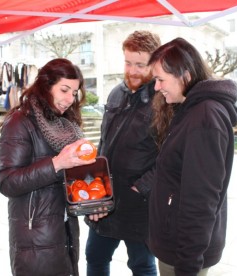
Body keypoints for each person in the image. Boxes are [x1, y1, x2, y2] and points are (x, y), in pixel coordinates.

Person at [0, 58, 104, 276]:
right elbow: (8, 182)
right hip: (34, 240)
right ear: (46, 85)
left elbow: (70, 181)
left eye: (74, 93)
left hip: (65, 233)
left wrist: (92, 202)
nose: (69, 99)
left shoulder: (65, 124)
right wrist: (56, 164)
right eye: (64, 90)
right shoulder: (19, 122)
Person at [147, 37, 237, 276]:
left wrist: (188, 265)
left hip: (184, 255)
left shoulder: (204, 117)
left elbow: (201, 200)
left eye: (160, 79)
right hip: (177, 245)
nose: (156, 87)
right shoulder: (189, 110)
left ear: (185, 76)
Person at [85, 30, 161, 276]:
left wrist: (141, 188)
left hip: (138, 204)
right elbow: (104, 141)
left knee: (142, 265)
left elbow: (171, 158)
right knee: (94, 256)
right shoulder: (116, 92)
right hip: (103, 198)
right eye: (128, 62)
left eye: (140, 64)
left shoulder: (164, 100)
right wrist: (93, 181)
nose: (132, 70)